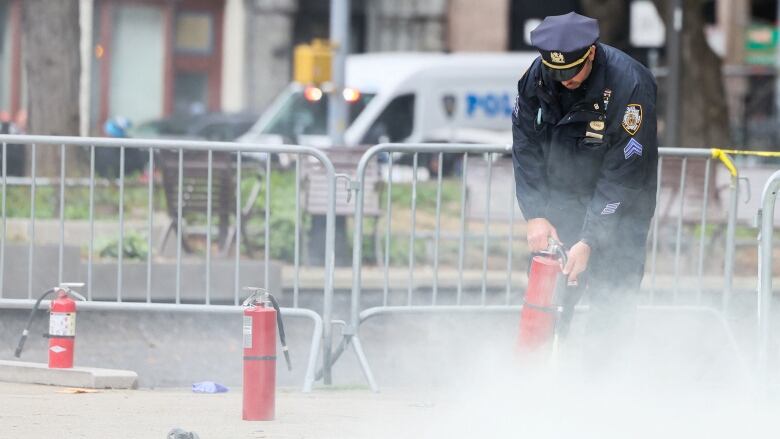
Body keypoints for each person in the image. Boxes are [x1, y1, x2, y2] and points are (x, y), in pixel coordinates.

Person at [512, 12, 658, 360]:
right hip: (564, 196)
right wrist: (535, 213)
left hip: (622, 204)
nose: (564, 81)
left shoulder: (630, 84)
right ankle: (536, 379)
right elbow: (525, 144)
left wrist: (590, 239)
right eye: (556, 72)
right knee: (549, 296)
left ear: (591, 53)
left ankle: (601, 388)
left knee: (612, 301)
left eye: (571, 72)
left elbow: (624, 170)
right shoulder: (538, 75)